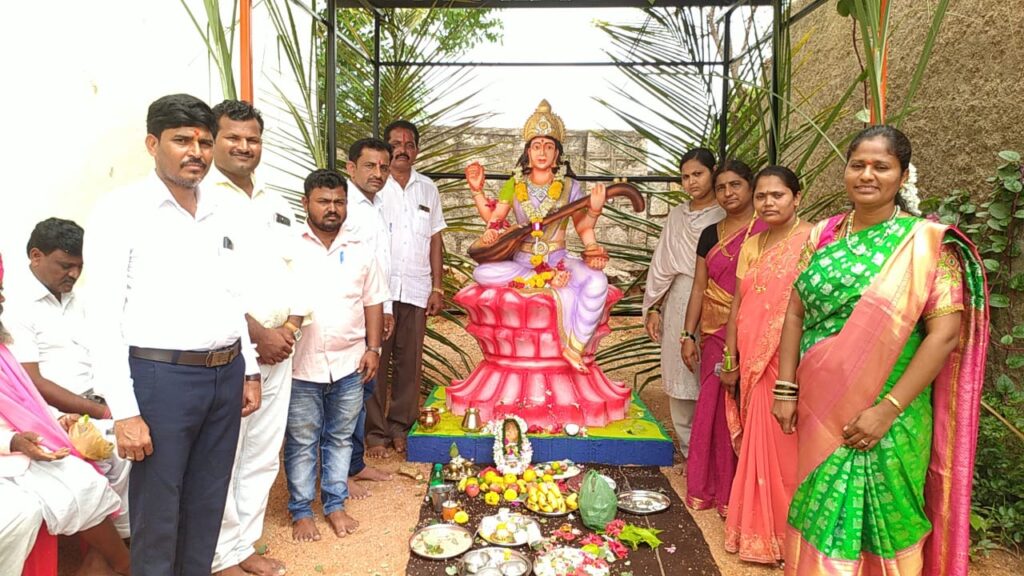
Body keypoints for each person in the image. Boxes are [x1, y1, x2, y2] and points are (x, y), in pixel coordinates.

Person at [774, 125, 987, 575]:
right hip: (820, 401)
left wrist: (887, 409)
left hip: (893, 409)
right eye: (857, 165)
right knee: (820, 506)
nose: (866, 175)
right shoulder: (822, 236)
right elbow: (794, 313)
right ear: (845, 171)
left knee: (888, 513)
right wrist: (786, 388)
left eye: (881, 166)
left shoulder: (927, 244)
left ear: (903, 175)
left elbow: (944, 335)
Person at [84, 93, 261, 575]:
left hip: (226, 376)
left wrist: (250, 369)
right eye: (182, 140)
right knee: (158, 512)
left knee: (206, 504)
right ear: (152, 143)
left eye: (204, 141)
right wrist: (125, 412)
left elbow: (233, 293)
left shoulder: (223, 209)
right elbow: (101, 315)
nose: (196, 152)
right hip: (161, 379)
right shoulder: (120, 211)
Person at [207, 100, 301, 576]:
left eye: (253, 139)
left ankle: (245, 544)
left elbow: (297, 271)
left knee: (264, 454)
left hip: (279, 349)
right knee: (226, 453)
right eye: (234, 137)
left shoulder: (275, 201)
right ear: (213, 139)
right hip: (229, 351)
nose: (245, 147)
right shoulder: (202, 201)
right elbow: (209, 284)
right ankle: (221, 554)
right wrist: (258, 333)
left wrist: (289, 329)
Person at [0, 253, 131, 576]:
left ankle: (112, 561)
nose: (2, 297)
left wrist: (54, 422)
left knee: (86, 473)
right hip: (9, 448)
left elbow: (19, 400)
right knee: (71, 483)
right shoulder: (24, 312)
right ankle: (123, 564)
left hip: (21, 440)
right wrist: (13, 441)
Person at [465, 99, 610, 373]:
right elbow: (494, 220)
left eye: (548, 146)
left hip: (560, 260)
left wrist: (594, 221)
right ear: (528, 153)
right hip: (522, 262)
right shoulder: (514, 184)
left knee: (597, 282)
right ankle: (541, 281)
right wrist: (477, 192)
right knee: (482, 274)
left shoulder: (570, 186)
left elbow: (583, 227)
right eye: (536, 146)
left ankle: (575, 347)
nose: (542, 152)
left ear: (557, 154)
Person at [285, 169, 388, 543]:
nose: (332, 209)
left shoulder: (360, 248)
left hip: (349, 362)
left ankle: (334, 504)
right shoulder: (288, 246)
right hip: (300, 365)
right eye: (324, 201)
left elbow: (373, 300)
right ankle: (300, 511)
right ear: (306, 203)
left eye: (339, 201)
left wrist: (373, 348)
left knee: (341, 437)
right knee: (302, 440)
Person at [719, 166, 811, 564]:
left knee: (787, 446)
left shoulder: (812, 240)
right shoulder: (753, 244)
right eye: (762, 196)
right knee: (759, 442)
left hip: (790, 360)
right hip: (752, 357)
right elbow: (739, 303)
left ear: (797, 198)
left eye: (778, 195)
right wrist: (730, 355)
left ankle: (790, 538)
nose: (769, 202)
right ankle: (759, 536)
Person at [680, 159, 767, 515]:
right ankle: (714, 490)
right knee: (713, 409)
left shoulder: (768, 229)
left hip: (759, 330)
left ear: (750, 188)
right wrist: (688, 333)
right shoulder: (710, 233)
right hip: (715, 333)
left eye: (735, 185)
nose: (728, 193)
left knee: (751, 409)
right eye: (721, 187)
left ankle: (747, 494)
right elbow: (699, 287)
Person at [366, 120, 447, 461]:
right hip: (377, 291)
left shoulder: (428, 189)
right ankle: (374, 433)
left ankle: (401, 427)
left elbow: (436, 240)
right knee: (374, 359)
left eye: (409, 143)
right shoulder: (373, 188)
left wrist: (438, 287)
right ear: (386, 148)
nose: (402, 149)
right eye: (396, 143)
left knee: (408, 363)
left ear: (416, 150)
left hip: (415, 288)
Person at [642, 148, 724, 468]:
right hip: (679, 295)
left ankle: (716, 456)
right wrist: (654, 307)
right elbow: (662, 262)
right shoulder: (677, 215)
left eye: (698, 174)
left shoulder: (726, 213)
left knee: (713, 371)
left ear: (713, 172)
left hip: (719, 296)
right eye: (685, 177)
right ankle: (691, 451)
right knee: (680, 371)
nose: (691, 182)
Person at [4, 218, 108, 419]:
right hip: (54, 420)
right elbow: (29, 380)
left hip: (98, 408)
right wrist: (103, 412)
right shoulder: (15, 305)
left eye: (80, 266)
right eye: (66, 265)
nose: (74, 274)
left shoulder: (81, 300)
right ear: (36, 256)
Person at [344, 137, 400, 468]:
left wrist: (386, 309)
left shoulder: (377, 205)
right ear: (351, 168)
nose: (378, 173)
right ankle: (344, 469)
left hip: (373, 307)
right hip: (350, 310)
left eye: (383, 166)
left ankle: (353, 465)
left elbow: (382, 263)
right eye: (369, 165)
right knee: (347, 393)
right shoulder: (345, 205)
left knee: (362, 388)